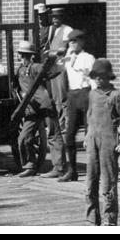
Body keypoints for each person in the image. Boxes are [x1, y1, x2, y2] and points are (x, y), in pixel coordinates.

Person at [83, 58, 120, 226]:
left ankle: (109, 221)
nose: (98, 79)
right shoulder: (92, 94)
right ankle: (92, 220)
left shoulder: (116, 96)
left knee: (108, 184)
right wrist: (86, 136)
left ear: (108, 76)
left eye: (102, 75)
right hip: (92, 141)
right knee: (90, 182)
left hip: (108, 142)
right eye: (95, 75)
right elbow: (89, 116)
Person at [58, 28, 96, 182]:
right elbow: (58, 68)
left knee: (90, 135)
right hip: (73, 96)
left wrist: (95, 99)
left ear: (81, 41)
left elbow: (93, 80)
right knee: (69, 135)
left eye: (74, 41)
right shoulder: (68, 58)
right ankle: (72, 170)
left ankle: (93, 171)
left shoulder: (88, 58)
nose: (72, 44)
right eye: (70, 42)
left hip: (86, 95)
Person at [13, 40, 54, 176]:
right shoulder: (19, 70)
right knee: (23, 138)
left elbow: (48, 71)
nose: (22, 57)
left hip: (41, 107)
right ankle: (30, 165)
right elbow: (16, 87)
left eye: (24, 55)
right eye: (22, 55)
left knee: (54, 136)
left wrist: (51, 60)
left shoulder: (35, 67)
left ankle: (58, 167)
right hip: (29, 109)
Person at [39, 44, 69, 179]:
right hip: (39, 104)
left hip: (48, 104)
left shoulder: (58, 68)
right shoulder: (34, 68)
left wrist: (56, 58)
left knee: (54, 134)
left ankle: (59, 167)